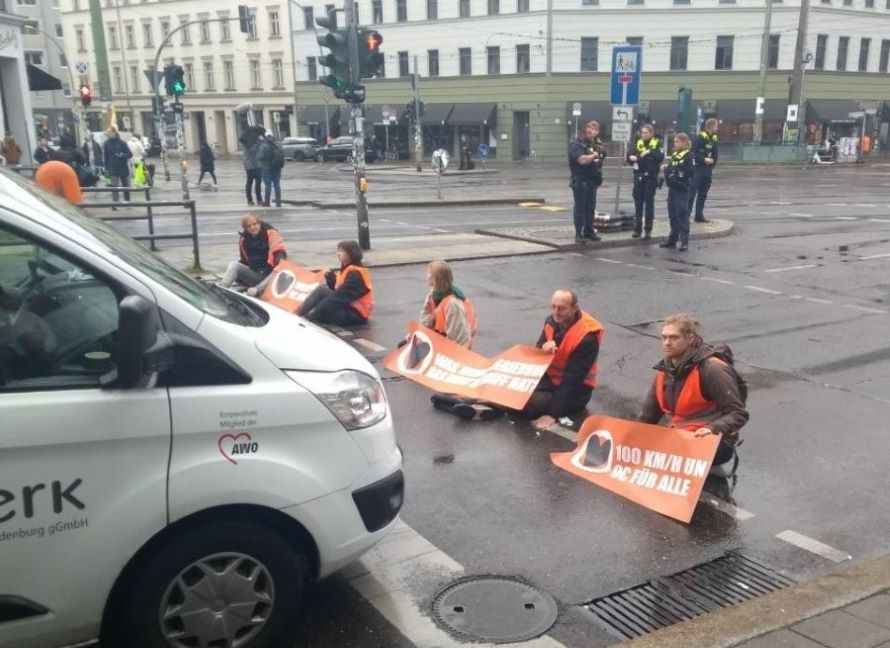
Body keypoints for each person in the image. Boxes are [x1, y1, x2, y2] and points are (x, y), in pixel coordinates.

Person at [431, 289, 604, 429]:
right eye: (553, 307)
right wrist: (543, 348)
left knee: (527, 403)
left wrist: (552, 414)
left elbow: (572, 382)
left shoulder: (586, 337)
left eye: (561, 308)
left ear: (575, 308)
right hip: (550, 381)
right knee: (513, 384)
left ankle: (480, 403)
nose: (556, 312)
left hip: (576, 394)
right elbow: (537, 355)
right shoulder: (552, 320)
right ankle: (480, 404)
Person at [638, 313, 748, 478]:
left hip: (713, 439)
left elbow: (738, 414)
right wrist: (634, 438)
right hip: (682, 434)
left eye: (674, 338)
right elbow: (648, 415)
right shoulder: (666, 369)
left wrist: (712, 429)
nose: (667, 343)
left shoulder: (712, 369)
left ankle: (708, 475)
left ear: (690, 339)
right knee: (649, 448)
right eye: (664, 337)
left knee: (663, 455)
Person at [298, 240, 373, 327]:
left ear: (350, 254)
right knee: (322, 291)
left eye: (341, 251)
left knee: (322, 294)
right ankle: (300, 313)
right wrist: (330, 277)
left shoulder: (356, 274)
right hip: (348, 308)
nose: (338, 253)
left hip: (355, 315)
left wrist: (315, 314)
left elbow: (340, 296)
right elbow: (337, 288)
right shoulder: (348, 269)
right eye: (338, 250)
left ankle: (299, 315)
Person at [219, 213, 287, 296]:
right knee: (234, 264)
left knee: (278, 268)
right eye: (249, 226)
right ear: (245, 228)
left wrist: (279, 258)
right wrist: (235, 274)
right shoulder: (244, 239)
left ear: (259, 223)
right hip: (256, 273)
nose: (252, 227)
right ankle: (221, 289)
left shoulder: (270, 233)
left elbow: (278, 249)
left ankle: (257, 290)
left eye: (254, 224)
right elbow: (244, 260)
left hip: (271, 276)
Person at [419, 260, 476, 348]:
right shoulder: (432, 294)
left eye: (429, 273)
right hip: (438, 339)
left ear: (436, 278)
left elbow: (459, 339)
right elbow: (423, 321)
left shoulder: (453, 304)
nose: (426, 276)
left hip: (451, 347)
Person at [568, 121, 605, 244]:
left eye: (593, 131)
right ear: (583, 132)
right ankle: (579, 233)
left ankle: (589, 231)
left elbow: (601, 155)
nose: (591, 133)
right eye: (589, 131)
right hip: (580, 180)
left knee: (590, 207)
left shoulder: (593, 145)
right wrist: (594, 156)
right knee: (580, 208)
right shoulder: (576, 145)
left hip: (591, 180)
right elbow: (582, 160)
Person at [627, 124, 664, 239]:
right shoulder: (638, 143)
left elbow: (660, 156)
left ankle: (648, 229)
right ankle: (637, 229)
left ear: (651, 133)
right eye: (642, 133)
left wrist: (649, 153)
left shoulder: (657, 143)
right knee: (638, 204)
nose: (643, 135)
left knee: (649, 205)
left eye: (646, 133)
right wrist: (631, 158)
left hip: (651, 177)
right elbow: (630, 155)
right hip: (639, 176)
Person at [660, 132, 694, 252]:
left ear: (684, 143)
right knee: (672, 215)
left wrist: (677, 174)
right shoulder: (675, 155)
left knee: (682, 214)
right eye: (674, 141)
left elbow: (689, 171)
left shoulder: (689, 155)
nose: (674, 143)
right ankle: (672, 240)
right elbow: (672, 168)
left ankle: (684, 241)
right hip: (673, 189)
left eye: (677, 141)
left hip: (682, 189)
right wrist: (666, 169)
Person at [688, 118, 719, 224]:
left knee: (703, 194)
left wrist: (713, 164)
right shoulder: (700, 137)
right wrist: (703, 159)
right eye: (716, 126)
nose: (717, 128)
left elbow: (715, 153)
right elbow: (693, 153)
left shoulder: (714, 138)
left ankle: (699, 215)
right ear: (711, 126)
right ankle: (686, 216)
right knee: (692, 193)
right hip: (698, 169)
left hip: (707, 170)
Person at [102, 126, 132, 207]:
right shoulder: (106, 143)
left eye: (109, 132)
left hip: (122, 167)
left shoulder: (122, 143)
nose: (107, 134)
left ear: (114, 133)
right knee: (114, 186)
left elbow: (130, 154)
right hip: (112, 168)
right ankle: (115, 204)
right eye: (107, 132)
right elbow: (105, 157)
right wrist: (106, 169)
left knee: (125, 186)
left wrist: (122, 155)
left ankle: (127, 202)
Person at [257, 131, 284, 207]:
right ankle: (278, 202)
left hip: (266, 168)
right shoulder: (278, 144)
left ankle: (267, 202)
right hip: (277, 168)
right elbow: (282, 155)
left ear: (265, 136)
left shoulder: (264, 145)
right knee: (277, 185)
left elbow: (260, 156)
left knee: (268, 185)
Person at [240, 126, 264, 206]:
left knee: (256, 182)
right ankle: (252, 200)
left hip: (254, 164)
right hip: (251, 165)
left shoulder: (251, 139)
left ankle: (257, 199)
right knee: (251, 182)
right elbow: (253, 151)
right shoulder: (248, 141)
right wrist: (259, 142)